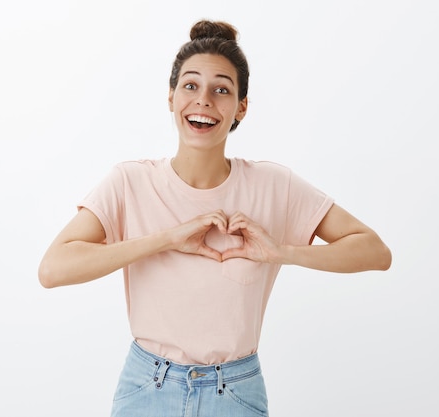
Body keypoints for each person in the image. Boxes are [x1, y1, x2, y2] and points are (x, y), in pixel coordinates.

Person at [38, 19, 391, 417]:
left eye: (221, 89)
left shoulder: (274, 185)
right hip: (146, 388)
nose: (203, 100)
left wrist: (280, 252)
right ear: (171, 96)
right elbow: (53, 269)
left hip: (236, 392)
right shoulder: (129, 182)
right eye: (190, 85)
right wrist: (167, 239)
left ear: (241, 106)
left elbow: (375, 252)